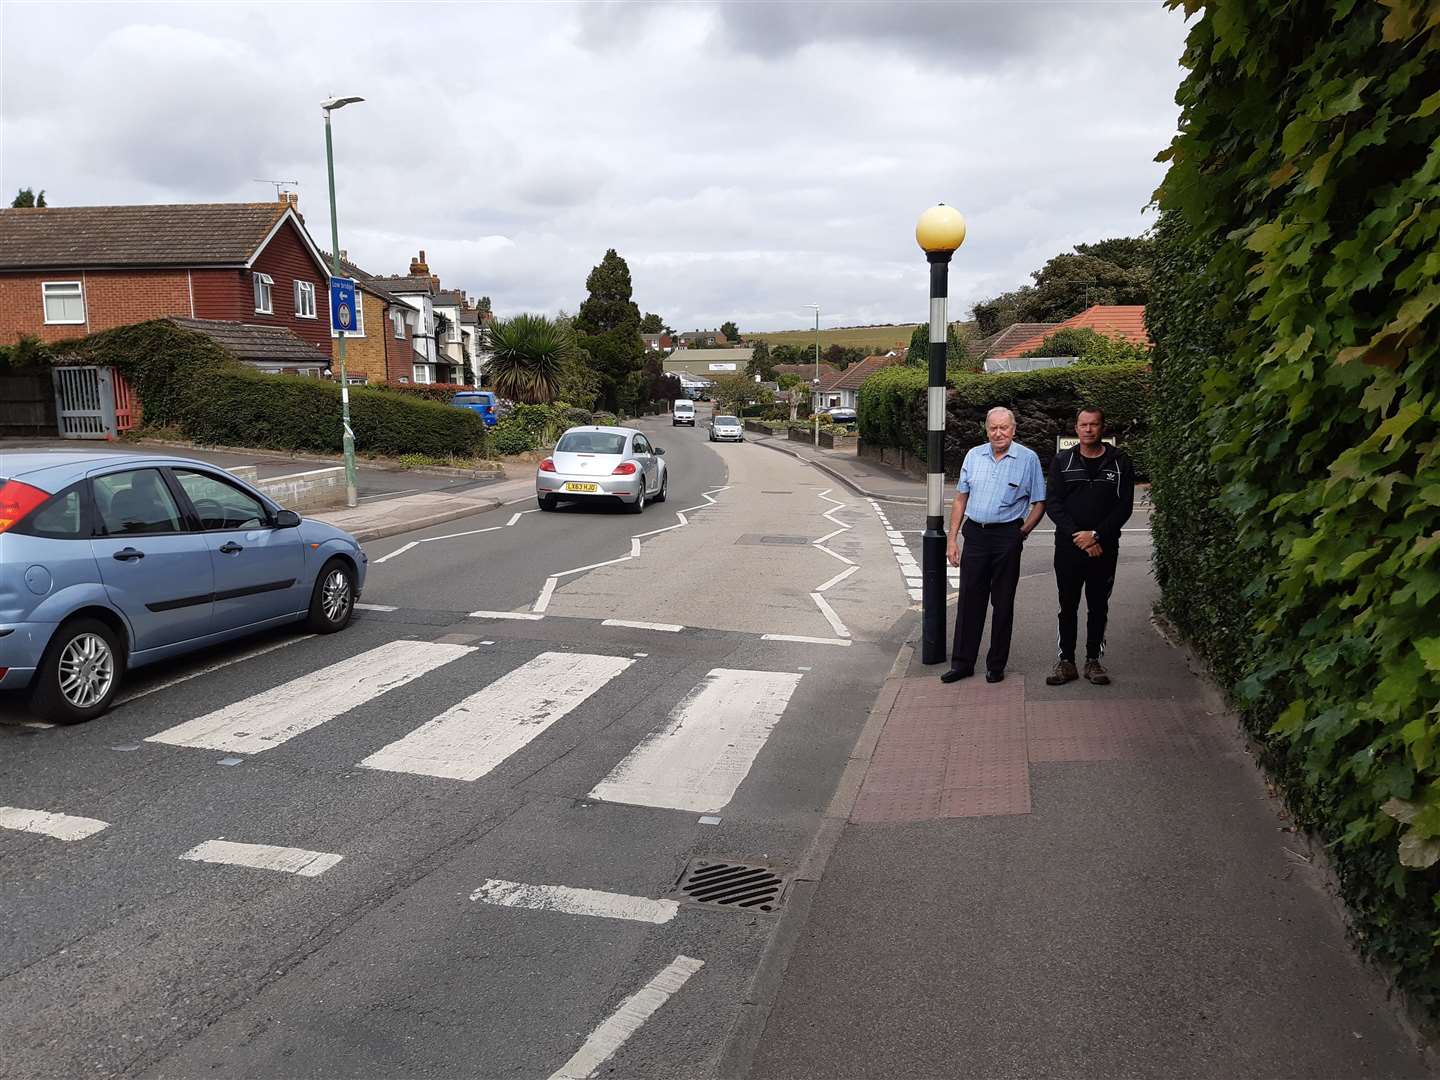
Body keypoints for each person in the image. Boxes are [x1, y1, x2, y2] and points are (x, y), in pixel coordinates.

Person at [942, 407, 1046, 684]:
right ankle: (962, 663)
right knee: (969, 602)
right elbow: (960, 499)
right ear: (986, 430)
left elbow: (1040, 502)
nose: (998, 433)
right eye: (993, 428)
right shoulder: (974, 456)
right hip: (975, 534)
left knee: (1002, 604)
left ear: (1013, 430)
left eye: (1003, 428)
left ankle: (996, 665)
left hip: (1007, 537)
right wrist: (952, 539)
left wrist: (1021, 533)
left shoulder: (1028, 459)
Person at [1044, 406, 1135, 686]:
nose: (1088, 430)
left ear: (1102, 428)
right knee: (1067, 605)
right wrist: (1079, 537)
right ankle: (1066, 662)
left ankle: (1093, 660)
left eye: (1094, 425)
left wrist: (1096, 535)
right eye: (1083, 425)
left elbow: (1124, 507)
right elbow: (1054, 504)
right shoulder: (1062, 461)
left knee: (1098, 606)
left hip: (1104, 548)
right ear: (1076, 428)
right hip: (1069, 548)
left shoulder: (1120, 462)